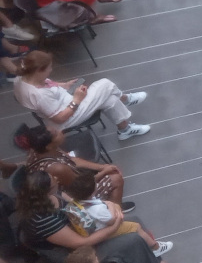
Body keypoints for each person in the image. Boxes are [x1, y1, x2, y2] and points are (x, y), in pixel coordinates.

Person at [16, 171, 161, 262]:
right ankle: (151, 254)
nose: (55, 177)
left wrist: (107, 205)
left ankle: (153, 252)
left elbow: (78, 204)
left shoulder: (55, 195)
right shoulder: (43, 219)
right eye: (51, 178)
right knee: (132, 239)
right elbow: (80, 244)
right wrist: (114, 226)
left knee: (134, 221)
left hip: (81, 229)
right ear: (46, 189)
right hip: (74, 252)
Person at [13, 50, 150, 137]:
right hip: (68, 117)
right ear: (38, 71)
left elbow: (48, 83)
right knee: (105, 84)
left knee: (110, 100)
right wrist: (77, 100)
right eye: (49, 68)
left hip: (65, 102)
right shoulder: (40, 96)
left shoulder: (22, 78)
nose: (51, 70)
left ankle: (124, 129)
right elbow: (59, 118)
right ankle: (125, 99)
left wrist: (65, 85)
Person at [64, 170, 172, 257]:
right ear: (93, 191)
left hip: (94, 228)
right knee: (136, 226)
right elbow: (111, 219)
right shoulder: (97, 209)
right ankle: (155, 247)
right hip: (105, 229)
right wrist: (111, 205)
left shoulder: (76, 202)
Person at [19, 125, 130, 208]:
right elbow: (82, 187)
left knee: (109, 172)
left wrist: (101, 167)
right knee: (116, 178)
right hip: (70, 199)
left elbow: (72, 160)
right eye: (57, 133)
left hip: (73, 183)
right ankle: (115, 214)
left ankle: (112, 204)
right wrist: (104, 172)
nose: (60, 131)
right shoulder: (57, 169)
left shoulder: (40, 149)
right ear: (48, 145)